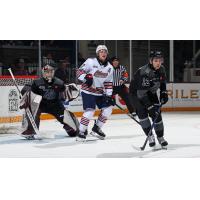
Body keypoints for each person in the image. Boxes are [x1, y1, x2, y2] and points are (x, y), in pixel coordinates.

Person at [19, 64, 79, 139]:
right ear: (43, 73)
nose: (49, 74)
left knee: (73, 130)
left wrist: (72, 91)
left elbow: (66, 90)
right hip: (41, 104)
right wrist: (24, 92)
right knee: (32, 111)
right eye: (47, 72)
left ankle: (72, 128)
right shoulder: (37, 82)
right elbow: (27, 87)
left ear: (53, 72)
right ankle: (30, 130)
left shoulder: (59, 82)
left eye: (51, 72)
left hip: (55, 105)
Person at [129, 51, 168, 148]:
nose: (158, 63)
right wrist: (150, 107)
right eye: (156, 61)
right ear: (151, 61)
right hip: (136, 94)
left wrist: (164, 93)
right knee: (143, 116)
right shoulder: (144, 71)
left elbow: (162, 82)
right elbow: (141, 94)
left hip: (150, 92)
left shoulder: (162, 69)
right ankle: (150, 136)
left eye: (160, 60)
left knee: (157, 115)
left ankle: (160, 137)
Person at [76, 45, 114, 141]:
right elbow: (79, 72)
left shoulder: (110, 67)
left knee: (108, 109)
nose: (103, 53)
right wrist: (85, 78)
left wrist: (109, 95)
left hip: (100, 93)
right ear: (97, 54)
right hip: (87, 91)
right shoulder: (90, 61)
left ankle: (96, 128)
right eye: (101, 51)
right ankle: (81, 131)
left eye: (105, 51)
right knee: (90, 112)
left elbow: (108, 82)